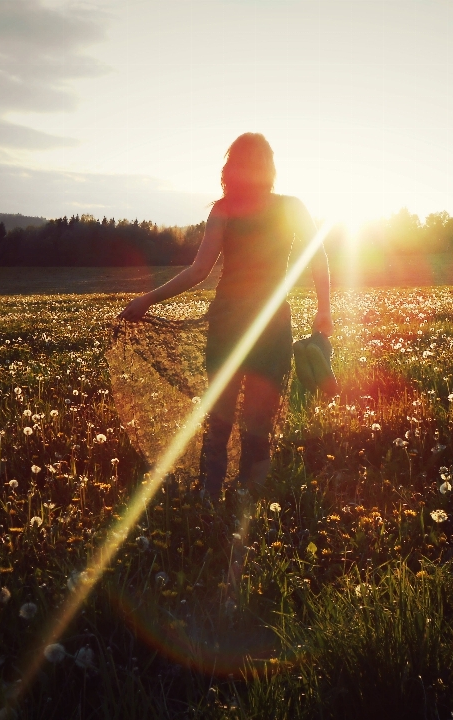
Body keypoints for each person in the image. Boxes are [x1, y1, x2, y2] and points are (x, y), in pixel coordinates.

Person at [117, 132, 332, 502]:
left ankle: (214, 496)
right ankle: (239, 497)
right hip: (258, 324)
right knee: (253, 422)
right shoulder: (264, 208)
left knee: (224, 419)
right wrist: (323, 308)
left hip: (242, 323)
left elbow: (199, 271)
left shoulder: (232, 209)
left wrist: (148, 300)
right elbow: (319, 260)